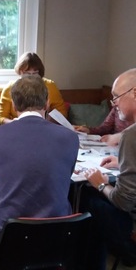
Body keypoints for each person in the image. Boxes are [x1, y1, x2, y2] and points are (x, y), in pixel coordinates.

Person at [0, 76, 79, 255]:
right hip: (57, 236)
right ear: (47, 104)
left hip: (8, 239)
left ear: (14, 106)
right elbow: (66, 175)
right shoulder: (70, 137)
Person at [81, 68, 136, 270]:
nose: (113, 104)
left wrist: (101, 183)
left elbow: (123, 201)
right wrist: (123, 163)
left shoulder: (131, 135)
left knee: (87, 198)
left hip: (130, 224)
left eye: (116, 97)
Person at [0, 52, 67, 124]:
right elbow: (1, 117)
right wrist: (14, 123)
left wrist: (48, 122)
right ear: (20, 72)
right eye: (27, 73)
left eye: (35, 73)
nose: (31, 77)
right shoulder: (10, 88)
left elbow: (62, 112)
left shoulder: (50, 86)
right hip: (17, 128)